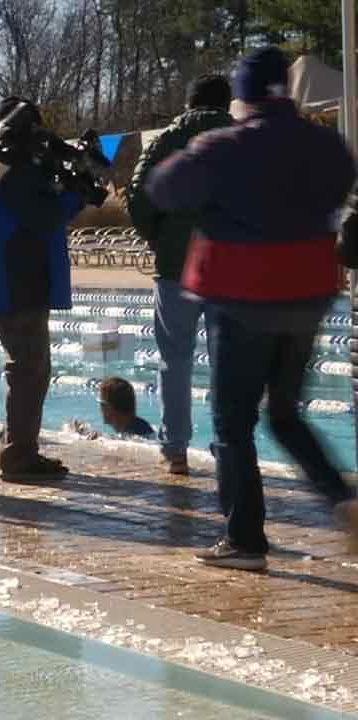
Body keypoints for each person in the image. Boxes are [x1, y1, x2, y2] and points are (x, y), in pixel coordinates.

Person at [144, 47, 358, 570]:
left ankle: (244, 540)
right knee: (284, 414)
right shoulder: (325, 143)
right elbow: (341, 182)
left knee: (232, 424)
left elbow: (163, 188)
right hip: (306, 297)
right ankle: (342, 498)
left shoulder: (224, 146)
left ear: (244, 96)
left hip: (242, 298)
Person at [0, 97, 85, 484]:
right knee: (29, 370)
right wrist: (76, 192)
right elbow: (47, 217)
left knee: (25, 368)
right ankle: (19, 455)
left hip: (8, 282)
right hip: (20, 282)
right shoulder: (13, 171)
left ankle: (16, 444)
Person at [127, 74, 233, 475]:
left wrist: (160, 237)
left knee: (175, 360)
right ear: (227, 104)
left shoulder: (166, 140)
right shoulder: (241, 140)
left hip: (174, 268)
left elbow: (137, 195)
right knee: (228, 361)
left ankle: (175, 450)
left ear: (188, 104)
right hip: (229, 266)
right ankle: (228, 447)